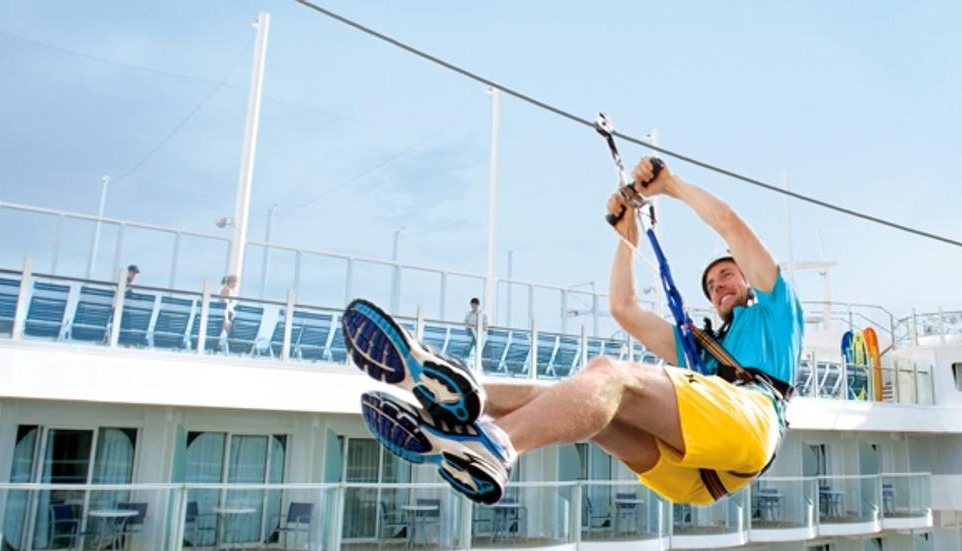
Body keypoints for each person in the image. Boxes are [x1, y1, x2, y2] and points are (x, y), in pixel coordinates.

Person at [342, 157, 803, 506]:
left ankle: (496, 442)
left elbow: (730, 224)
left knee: (610, 374)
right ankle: (461, 403)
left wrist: (670, 185)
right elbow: (624, 309)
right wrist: (627, 240)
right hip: (696, 479)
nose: (717, 284)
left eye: (726, 275)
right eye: (709, 284)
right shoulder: (703, 352)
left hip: (751, 426)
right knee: (582, 402)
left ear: (747, 278)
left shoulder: (776, 313)